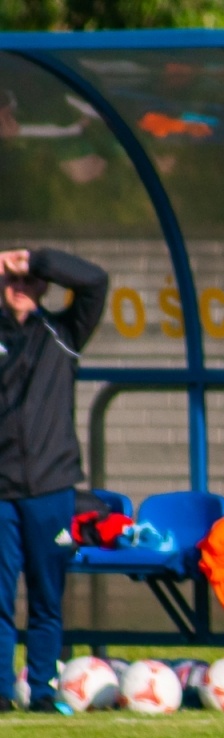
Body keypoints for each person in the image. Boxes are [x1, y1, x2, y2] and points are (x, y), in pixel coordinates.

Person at [0, 246, 108, 713]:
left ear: (42, 286)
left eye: (27, 282)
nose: (20, 290)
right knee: (0, 598)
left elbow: (95, 281)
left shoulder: (63, 332)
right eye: (12, 282)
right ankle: (2, 691)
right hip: (1, 493)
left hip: (52, 489)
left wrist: (34, 260)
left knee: (47, 596)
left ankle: (42, 690)